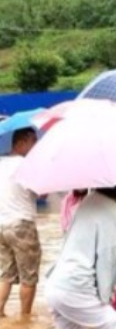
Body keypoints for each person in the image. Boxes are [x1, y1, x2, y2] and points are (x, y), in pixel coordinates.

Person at [44, 187, 116, 329]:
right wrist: (106, 301)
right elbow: (108, 264)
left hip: (55, 286)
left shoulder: (86, 203)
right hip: (75, 289)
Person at [0, 128, 40, 317]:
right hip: (22, 224)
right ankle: (25, 319)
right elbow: (41, 191)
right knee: (29, 277)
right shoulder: (27, 165)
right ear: (21, 143)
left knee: (5, 275)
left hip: (2, 225)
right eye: (33, 141)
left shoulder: (1, 164)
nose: (36, 145)